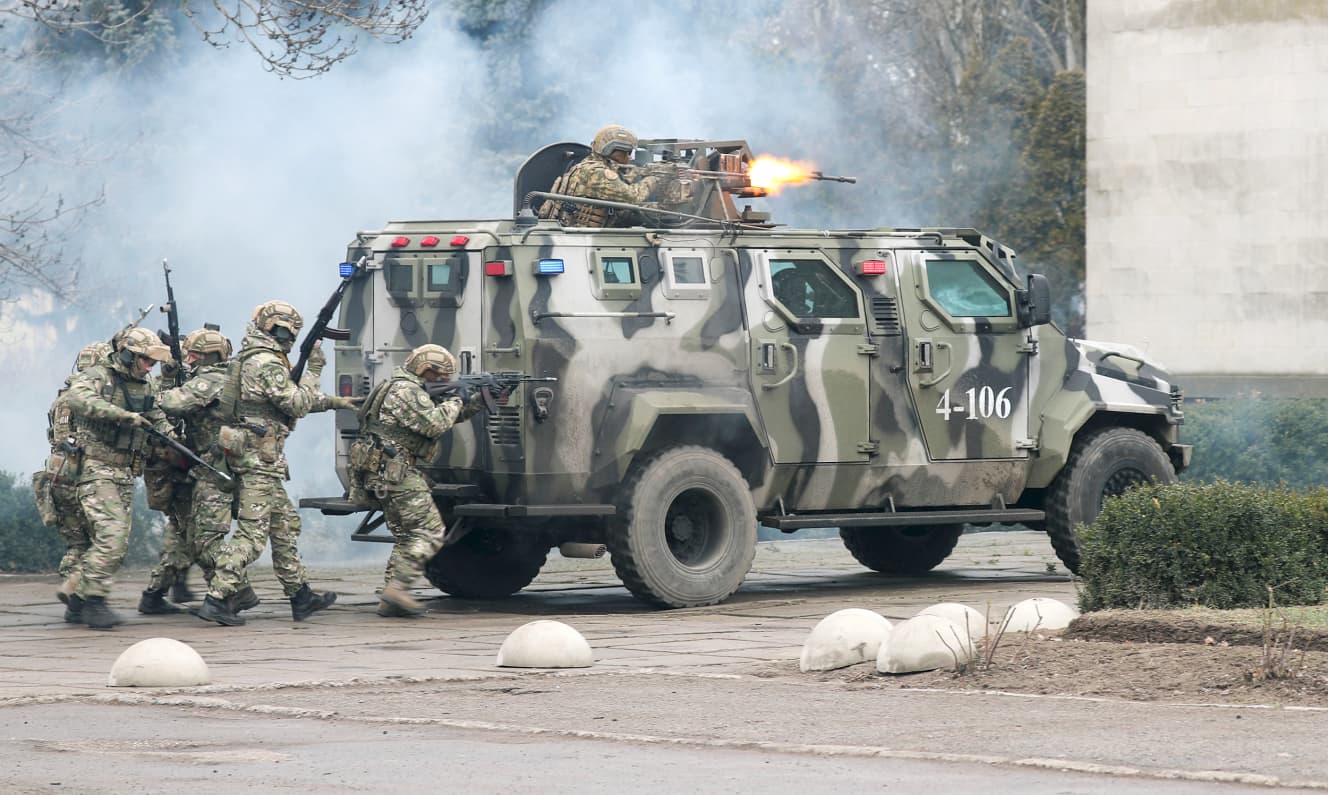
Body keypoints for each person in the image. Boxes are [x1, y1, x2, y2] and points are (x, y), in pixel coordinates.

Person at [195, 301, 354, 626]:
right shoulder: (267, 362)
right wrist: (314, 368)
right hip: (258, 460)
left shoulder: (252, 358)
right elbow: (296, 403)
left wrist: (338, 402)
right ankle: (218, 596)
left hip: (255, 456)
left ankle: (300, 595)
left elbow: (281, 401)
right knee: (252, 537)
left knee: (283, 526)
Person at [347, 344, 482, 617]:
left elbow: (444, 417)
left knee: (407, 536)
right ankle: (399, 588)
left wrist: (477, 399)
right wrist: (457, 398)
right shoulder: (407, 391)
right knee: (430, 531)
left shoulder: (399, 387)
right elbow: (434, 424)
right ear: (426, 370)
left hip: (383, 471)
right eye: (441, 375)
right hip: (396, 472)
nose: (444, 380)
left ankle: (390, 598)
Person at [62, 327, 174, 629]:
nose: (150, 367)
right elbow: (78, 397)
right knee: (111, 538)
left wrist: (172, 440)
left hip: (125, 471)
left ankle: (77, 600)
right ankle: (94, 601)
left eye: (153, 362)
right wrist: (121, 415)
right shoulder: (99, 376)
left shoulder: (146, 385)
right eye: (145, 360)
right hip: (96, 469)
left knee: (116, 542)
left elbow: (157, 416)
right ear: (127, 354)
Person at [34, 341, 112, 623]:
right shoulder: (83, 398)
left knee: (77, 543)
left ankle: (74, 602)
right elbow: (72, 442)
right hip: (76, 477)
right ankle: (79, 593)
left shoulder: (63, 396)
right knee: (100, 540)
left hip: (57, 477)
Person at [542, 124, 663, 228]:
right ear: (611, 151)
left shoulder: (588, 166)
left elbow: (620, 210)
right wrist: (655, 179)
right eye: (627, 152)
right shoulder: (597, 173)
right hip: (583, 238)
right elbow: (632, 197)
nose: (630, 157)